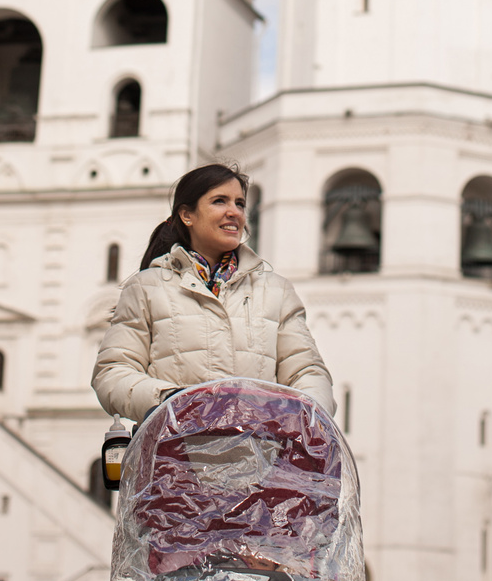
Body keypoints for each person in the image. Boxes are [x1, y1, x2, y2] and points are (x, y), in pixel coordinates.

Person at [93, 164, 334, 422]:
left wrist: (305, 417)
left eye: (240, 204)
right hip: (174, 455)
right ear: (187, 215)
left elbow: (307, 372)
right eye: (220, 201)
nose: (234, 212)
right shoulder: (146, 288)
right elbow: (113, 372)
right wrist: (171, 402)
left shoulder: (276, 290)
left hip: (261, 455)